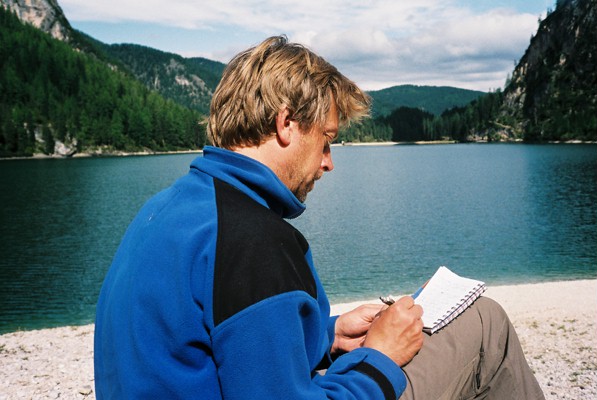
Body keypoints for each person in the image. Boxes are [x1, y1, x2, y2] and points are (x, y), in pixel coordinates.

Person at [94, 35, 545, 399]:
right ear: (286, 123)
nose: (329, 163)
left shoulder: (164, 210)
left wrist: (328, 336)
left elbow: (224, 347)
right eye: (326, 139)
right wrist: (381, 354)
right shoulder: (252, 240)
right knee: (485, 322)